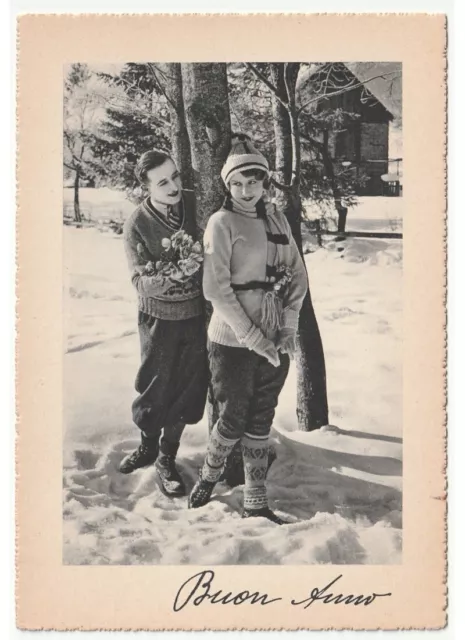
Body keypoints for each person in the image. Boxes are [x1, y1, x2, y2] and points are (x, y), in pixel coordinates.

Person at [188, 135, 308, 524]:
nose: (245, 190)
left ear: (264, 182)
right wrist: (252, 338)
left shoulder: (276, 221)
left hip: (275, 337)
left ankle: (256, 501)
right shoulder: (221, 223)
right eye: (237, 183)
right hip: (232, 340)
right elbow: (216, 289)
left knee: (261, 419)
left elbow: (297, 276)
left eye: (253, 182)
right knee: (233, 416)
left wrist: (286, 328)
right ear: (227, 185)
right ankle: (209, 476)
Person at [119, 149, 208, 497]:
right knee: (156, 385)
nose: (173, 186)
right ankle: (147, 446)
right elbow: (140, 283)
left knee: (187, 388)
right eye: (162, 182)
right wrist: (176, 272)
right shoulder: (136, 225)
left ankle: (166, 458)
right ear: (146, 188)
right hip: (158, 318)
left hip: (196, 316)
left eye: (175, 176)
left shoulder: (192, 204)